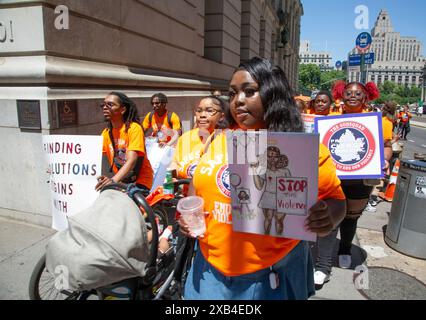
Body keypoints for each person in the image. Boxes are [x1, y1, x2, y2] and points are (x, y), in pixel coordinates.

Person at [179, 57, 346, 300]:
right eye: (233, 93)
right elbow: (198, 183)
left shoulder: (299, 149)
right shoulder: (219, 139)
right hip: (208, 270)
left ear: (272, 94)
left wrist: (327, 217)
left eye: (250, 91)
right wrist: (188, 215)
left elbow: (337, 202)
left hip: (268, 278)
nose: (239, 101)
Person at [331, 80, 386, 269]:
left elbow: (385, 146)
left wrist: (384, 160)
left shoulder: (374, 120)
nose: (353, 96)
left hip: (360, 179)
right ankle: (323, 257)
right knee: (329, 214)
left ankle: (344, 249)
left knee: (350, 217)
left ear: (366, 97)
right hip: (332, 177)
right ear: (341, 95)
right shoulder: (330, 118)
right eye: (348, 93)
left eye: (358, 93)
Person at [95, 92, 153, 193]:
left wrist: (113, 180)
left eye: (110, 104)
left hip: (140, 181)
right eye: (103, 104)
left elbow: (132, 160)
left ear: (122, 110)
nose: (105, 107)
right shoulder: (105, 133)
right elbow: (95, 158)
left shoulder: (134, 128)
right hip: (121, 181)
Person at [171, 95, 231, 179]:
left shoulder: (227, 139)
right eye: (199, 111)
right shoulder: (185, 138)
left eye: (209, 111)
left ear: (221, 116)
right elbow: (175, 164)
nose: (202, 115)